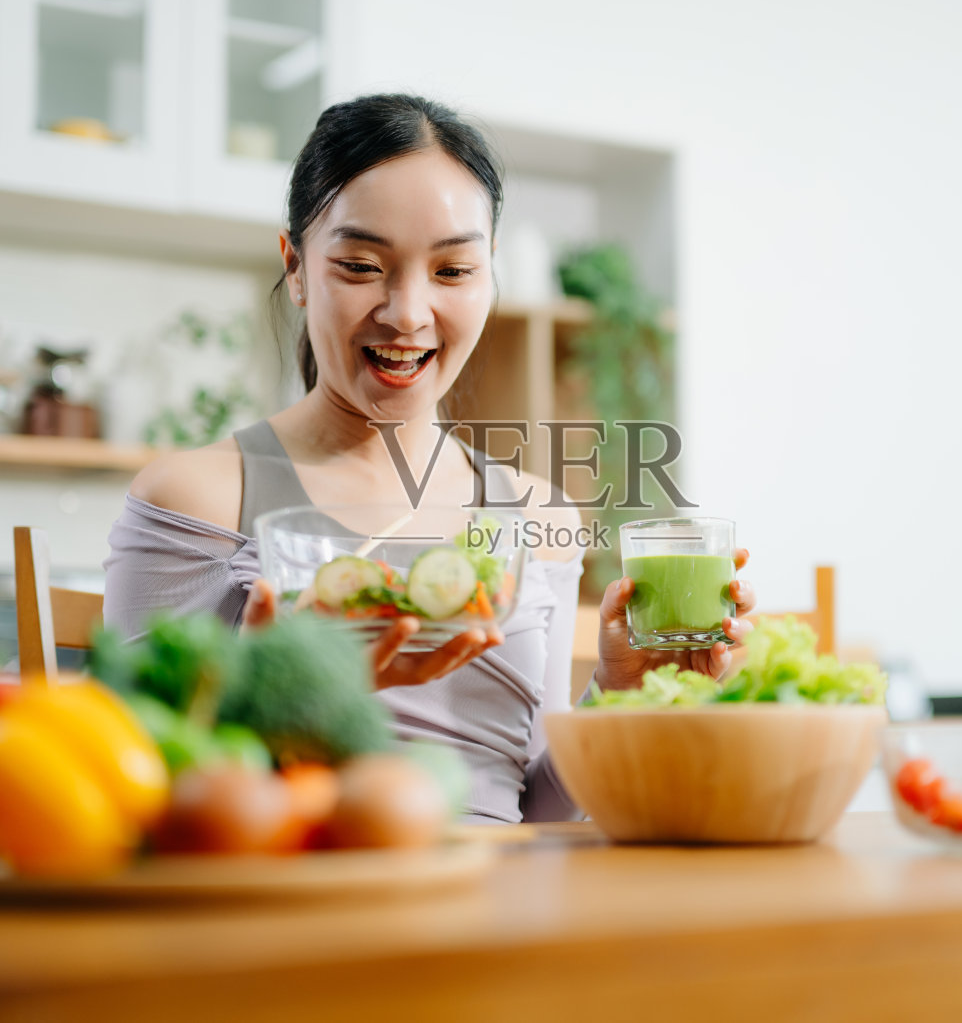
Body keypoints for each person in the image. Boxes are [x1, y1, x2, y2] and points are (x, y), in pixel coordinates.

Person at [103, 94, 756, 823]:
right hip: (290, 919)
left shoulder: (538, 514)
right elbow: (118, 798)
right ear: (295, 267)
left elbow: (533, 814)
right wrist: (272, 704)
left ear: (489, 274)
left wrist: (622, 690)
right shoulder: (200, 495)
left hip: (504, 919)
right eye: (359, 264)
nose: (408, 313)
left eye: (451, 271)